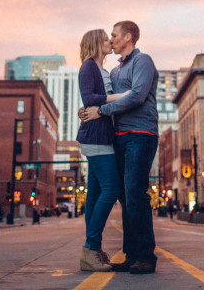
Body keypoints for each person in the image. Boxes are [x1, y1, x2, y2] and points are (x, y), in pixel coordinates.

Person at [82, 21, 159, 275]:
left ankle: (145, 256)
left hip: (141, 134)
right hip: (119, 137)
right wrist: (89, 111)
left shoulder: (142, 61)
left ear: (128, 37)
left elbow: (137, 96)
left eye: (114, 35)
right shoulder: (114, 72)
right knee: (125, 197)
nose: (111, 39)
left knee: (136, 193)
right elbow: (101, 98)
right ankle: (131, 255)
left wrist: (101, 110)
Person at [76, 29, 128, 272]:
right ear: (96, 43)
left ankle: (92, 251)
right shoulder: (88, 66)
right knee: (111, 188)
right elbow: (89, 98)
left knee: (95, 193)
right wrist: (121, 96)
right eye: (106, 38)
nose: (110, 41)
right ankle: (90, 246)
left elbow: (93, 101)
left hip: (102, 136)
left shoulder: (102, 70)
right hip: (95, 137)